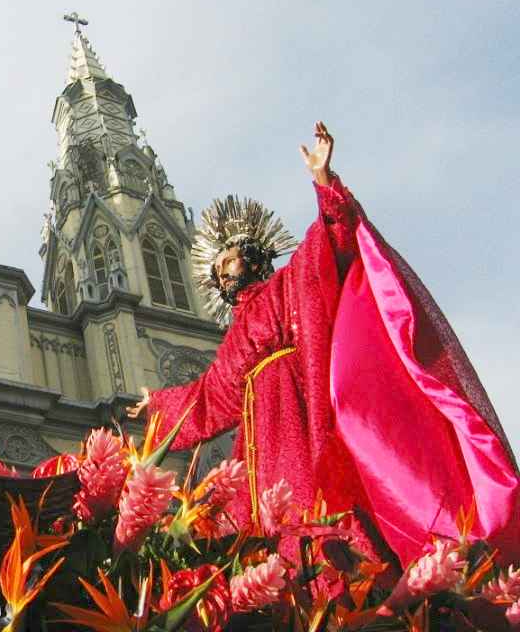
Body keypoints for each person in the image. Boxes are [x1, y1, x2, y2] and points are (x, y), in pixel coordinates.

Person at [128, 122, 519, 566]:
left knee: (323, 518)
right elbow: (213, 397)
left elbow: (331, 239)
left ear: (253, 255)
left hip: (305, 410)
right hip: (260, 443)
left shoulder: (291, 282)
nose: (222, 272)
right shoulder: (233, 338)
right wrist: (157, 404)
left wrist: (323, 182)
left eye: (229, 259)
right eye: (216, 269)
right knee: (258, 541)